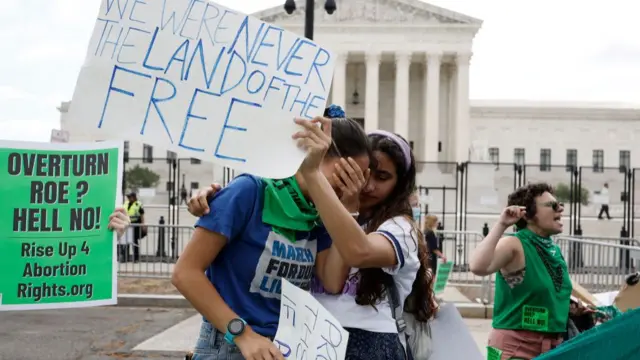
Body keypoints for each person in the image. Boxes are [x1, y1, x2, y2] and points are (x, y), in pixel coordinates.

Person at [188, 128, 437, 360]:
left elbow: (352, 259)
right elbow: (187, 271)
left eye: (379, 177)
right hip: (289, 340)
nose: (366, 186)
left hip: (358, 341)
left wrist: (344, 204)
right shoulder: (310, 209)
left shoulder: (398, 228)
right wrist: (216, 201)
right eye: (356, 174)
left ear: (399, 185)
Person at [171, 106, 372, 360]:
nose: (351, 185)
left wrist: (348, 208)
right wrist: (242, 334)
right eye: (346, 174)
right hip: (232, 343)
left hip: (283, 346)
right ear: (314, 154)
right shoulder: (249, 191)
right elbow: (184, 273)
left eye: (359, 179)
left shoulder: (319, 214)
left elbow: (332, 281)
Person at [469, 183, 573, 359]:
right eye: (552, 206)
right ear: (529, 215)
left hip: (552, 348)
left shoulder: (552, 249)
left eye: (559, 204)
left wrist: (573, 308)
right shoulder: (515, 244)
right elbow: (478, 266)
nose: (560, 209)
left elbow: (547, 292)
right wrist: (502, 224)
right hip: (515, 349)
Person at [121, 192, 145, 262]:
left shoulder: (138, 204)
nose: (128, 198)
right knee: (125, 241)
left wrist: (143, 224)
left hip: (135, 225)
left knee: (134, 241)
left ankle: (136, 258)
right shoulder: (125, 203)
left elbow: (142, 215)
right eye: (128, 197)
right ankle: (125, 258)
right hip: (126, 224)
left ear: (134, 197)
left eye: (130, 197)